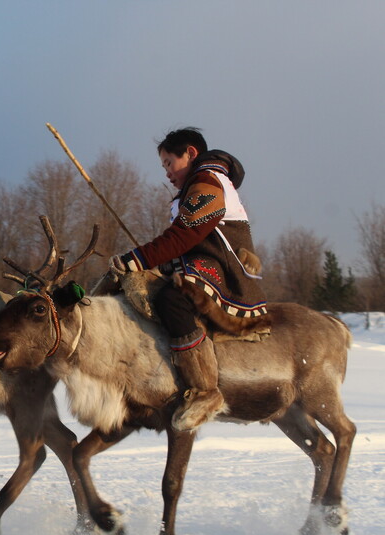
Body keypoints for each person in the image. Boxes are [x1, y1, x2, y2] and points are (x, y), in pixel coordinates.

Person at [109, 127, 267, 431]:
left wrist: (137, 259)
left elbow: (185, 235)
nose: (167, 172)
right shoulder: (197, 185)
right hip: (206, 264)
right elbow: (187, 245)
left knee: (173, 299)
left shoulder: (208, 181)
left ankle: (205, 390)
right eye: (164, 166)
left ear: (191, 153)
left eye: (169, 162)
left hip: (225, 274)